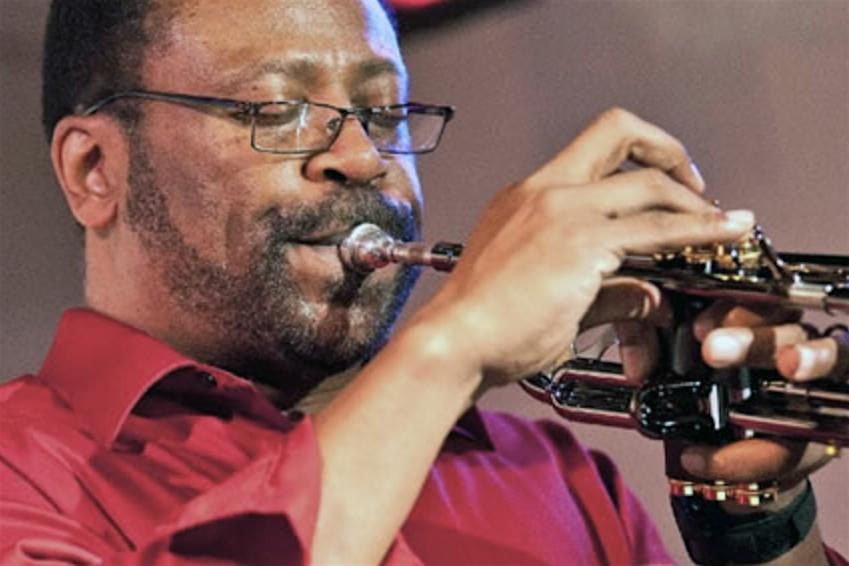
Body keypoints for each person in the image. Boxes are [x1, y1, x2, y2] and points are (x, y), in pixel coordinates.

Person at [1, 0, 846, 564]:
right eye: (276, 111)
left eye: (383, 113)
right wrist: (455, 343)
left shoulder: (546, 469)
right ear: (94, 169)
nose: (362, 157)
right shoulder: (21, 469)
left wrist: (756, 521)